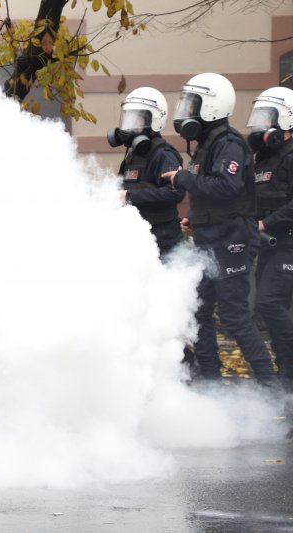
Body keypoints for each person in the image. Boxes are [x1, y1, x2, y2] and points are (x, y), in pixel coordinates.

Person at [162, 73, 277, 385]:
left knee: (236, 317)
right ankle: (212, 387)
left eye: (191, 103)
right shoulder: (206, 146)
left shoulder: (229, 144)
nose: (186, 109)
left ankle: (271, 390)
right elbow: (211, 192)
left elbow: (226, 186)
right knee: (199, 314)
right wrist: (196, 219)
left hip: (232, 241)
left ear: (212, 106)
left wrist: (182, 178)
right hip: (210, 238)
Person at [249, 87, 293, 390]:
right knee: (267, 308)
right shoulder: (263, 159)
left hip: (288, 244)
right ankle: (285, 376)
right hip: (268, 247)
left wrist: (267, 223)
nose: (261, 123)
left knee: (268, 303)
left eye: (268, 117)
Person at [110, 87, 185, 256]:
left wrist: (130, 196)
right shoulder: (133, 155)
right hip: (140, 239)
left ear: (154, 120)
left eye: (135, 119)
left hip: (163, 242)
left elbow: (176, 192)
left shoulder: (163, 154)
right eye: (128, 118)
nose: (129, 125)